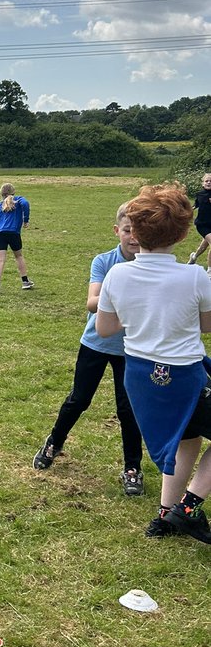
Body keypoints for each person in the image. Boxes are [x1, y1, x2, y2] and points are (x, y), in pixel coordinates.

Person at [96, 182, 211, 544]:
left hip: (141, 377)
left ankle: (165, 514)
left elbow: (105, 328)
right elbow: (208, 326)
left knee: (187, 438)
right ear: (181, 231)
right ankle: (188, 508)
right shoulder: (194, 276)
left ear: (135, 230)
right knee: (190, 432)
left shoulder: (116, 274)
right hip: (183, 376)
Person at [33, 205, 144, 495]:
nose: (133, 236)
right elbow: (92, 302)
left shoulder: (151, 265)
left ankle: (132, 468)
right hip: (96, 342)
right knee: (79, 399)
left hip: (131, 348)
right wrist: (124, 295)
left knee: (128, 409)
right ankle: (54, 443)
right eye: (128, 229)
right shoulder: (104, 261)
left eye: (139, 230)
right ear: (117, 230)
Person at [0, 182, 34, 294]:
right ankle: (25, 282)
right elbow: (26, 203)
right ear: (13, 192)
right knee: (18, 256)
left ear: (1, 193)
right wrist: (26, 219)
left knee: (0, 260)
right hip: (13, 232)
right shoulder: (18, 200)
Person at [187, 172, 211, 270]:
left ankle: (194, 257)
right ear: (203, 183)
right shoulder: (200, 194)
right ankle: (209, 271)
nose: (209, 183)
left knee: (204, 246)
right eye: (207, 181)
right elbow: (194, 206)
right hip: (202, 224)